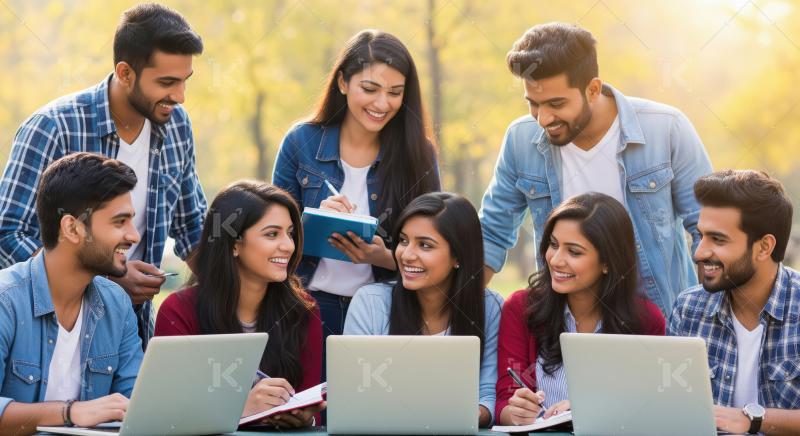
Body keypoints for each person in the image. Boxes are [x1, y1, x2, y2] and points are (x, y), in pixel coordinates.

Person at [0, 3, 207, 348]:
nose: (180, 96)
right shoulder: (53, 127)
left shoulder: (176, 125)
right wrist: (104, 281)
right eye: (167, 82)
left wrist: (238, 287)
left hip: (132, 331)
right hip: (51, 330)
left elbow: (192, 228)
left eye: (185, 81)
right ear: (125, 73)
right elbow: (8, 235)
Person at [479, 22, 712, 313]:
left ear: (592, 89)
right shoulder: (520, 139)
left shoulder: (666, 129)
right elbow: (491, 233)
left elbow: (707, 229)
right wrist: (454, 313)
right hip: (564, 325)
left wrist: (703, 318)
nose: (543, 118)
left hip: (658, 322)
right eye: (534, 104)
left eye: (556, 103)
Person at [272, 29, 440, 368]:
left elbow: (436, 245)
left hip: (384, 309)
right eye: (370, 89)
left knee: (375, 401)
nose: (382, 104)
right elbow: (269, 235)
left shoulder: (418, 154)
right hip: (307, 305)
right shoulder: (301, 141)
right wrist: (310, 223)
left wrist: (386, 257)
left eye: (395, 93)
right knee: (311, 401)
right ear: (343, 82)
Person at [155, 181, 323, 428]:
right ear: (234, 244)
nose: (288, 245)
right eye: (272, 234)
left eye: (290, 233)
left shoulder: (304, 311)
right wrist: (241, 409)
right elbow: (166, 415)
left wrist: (305, 417)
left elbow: (311, 406)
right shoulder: (178, 312)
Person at [0, 153, 144, 435]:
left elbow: (138, 405)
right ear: (72, 228)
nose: (134, 236)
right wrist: (70, 412)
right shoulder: (6, 300)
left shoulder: (117, 304)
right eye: (119, 222)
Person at [495, 193, 665, 426]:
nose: (555, 260)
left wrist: (588, 409)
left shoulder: (646, 321)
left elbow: (647, 407)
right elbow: (506, 397)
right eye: (553, 245)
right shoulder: (521, 308)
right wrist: (515, 412)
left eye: (574, 252)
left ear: (608, 262)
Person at [344, 192, 503, 427]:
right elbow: (351, 394)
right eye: (403, 241)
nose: (406, 255)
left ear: (458, 256)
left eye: (425, 245)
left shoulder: (490, 307)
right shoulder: (370, 303)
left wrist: (462, 415)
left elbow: (488, 396)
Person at [668, 170, 800, 435]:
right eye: (700, 235)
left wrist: (753, 419)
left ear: (764, 247)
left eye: (718, 239)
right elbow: (668, 405)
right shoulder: (688, 308)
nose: (699, 253)